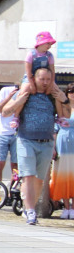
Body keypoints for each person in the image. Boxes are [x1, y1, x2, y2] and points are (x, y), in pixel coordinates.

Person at [2, 66, 70, 225]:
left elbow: (66, 115)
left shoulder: (52, 96)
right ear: (34, 79)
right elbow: (5, 112)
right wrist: (18, 101)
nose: (45, 82)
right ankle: (31, 210)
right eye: (42, 79)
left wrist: (64, 99)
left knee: (39, 179)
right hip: (26, 140)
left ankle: (28, 206)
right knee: (28, 175)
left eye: (48, 79)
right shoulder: (27, 93)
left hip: (46, 142)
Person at [51, 85, 74, 219]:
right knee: (63, 174)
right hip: (63, 141)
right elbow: (55, 130)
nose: (72, 94)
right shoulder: (61, 107)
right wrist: (53, 148)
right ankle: (66, 207)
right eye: (69, 91)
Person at [0, 83, 20, 182]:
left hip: (17, 134)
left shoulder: (27, 93)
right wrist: (9, 97)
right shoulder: (5, 90)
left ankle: (12, 193)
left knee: (15, 166)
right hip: (2, 133)